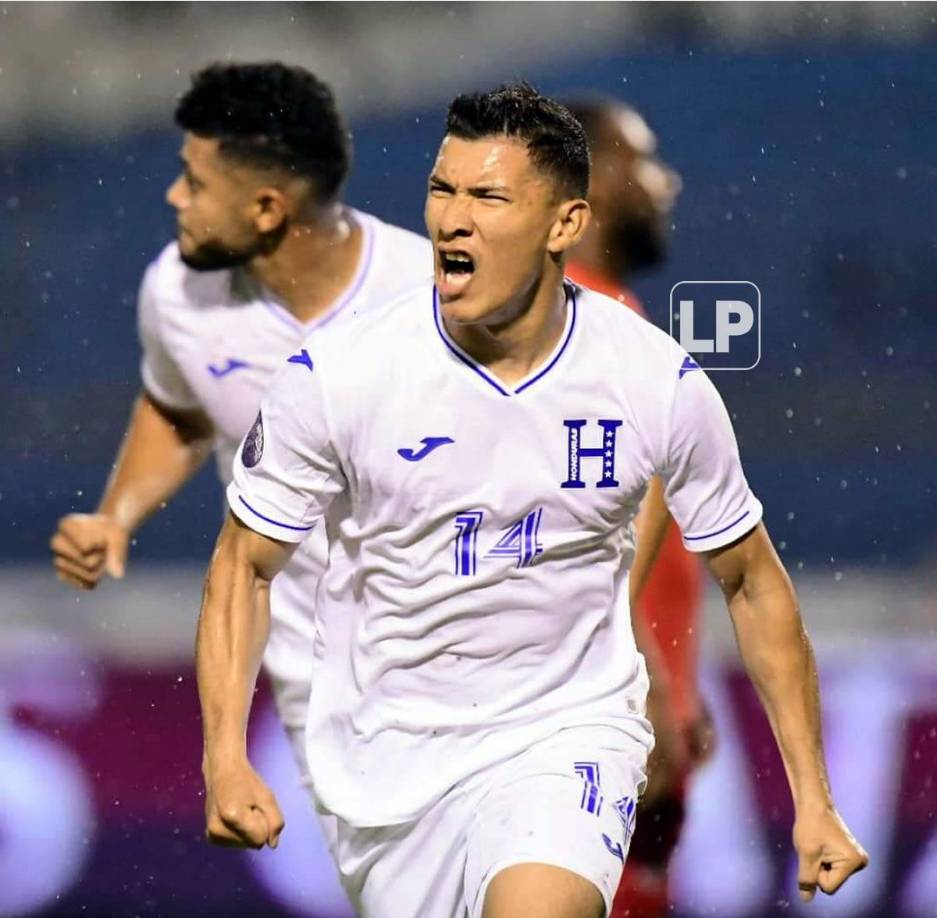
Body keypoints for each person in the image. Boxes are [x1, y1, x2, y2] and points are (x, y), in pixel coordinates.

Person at [197, 83, 868, 918]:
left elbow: (751, 579)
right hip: (391, 760)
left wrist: (813, 797)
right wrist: (223, 753)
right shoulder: (340, 373)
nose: (451, 219)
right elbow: (242, 563)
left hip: (568, 735)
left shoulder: (652, 378)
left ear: (563, 224)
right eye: (442, 190)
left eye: (487, 196)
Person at [48, 62, 431, 791]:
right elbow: (179, 407)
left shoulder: (434, 303)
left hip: (467, 670)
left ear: (264, 209)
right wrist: (116, 516)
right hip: (316, 686)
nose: (173, 196)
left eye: (194, 182)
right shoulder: (178, 293)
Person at [565, 97, 707, 917]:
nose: (666, 182)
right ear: (595, 180)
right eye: (646, 161)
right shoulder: (576, 326)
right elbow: (575, 531)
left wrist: (680, 688)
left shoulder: (607, 317)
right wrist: (649, 686)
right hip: (597, 731)